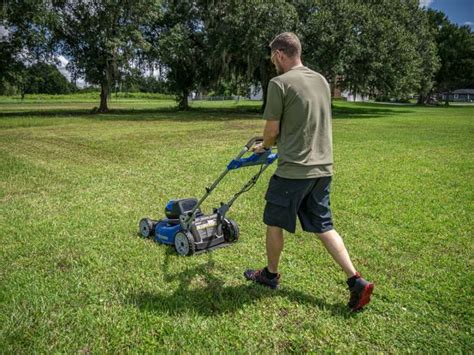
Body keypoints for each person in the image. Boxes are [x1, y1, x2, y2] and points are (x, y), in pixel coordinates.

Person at [244, 32, 374, 312]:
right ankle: (356, 281)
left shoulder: (279, 83)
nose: (272, 62)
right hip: (323, 169)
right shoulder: (322, 81)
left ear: (280, 54)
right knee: (323, 226)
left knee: (274, 221)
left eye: (272, 57)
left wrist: (264, 146)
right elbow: (304, 121)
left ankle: (269, 275)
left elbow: (272, 131)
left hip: (294, 171)